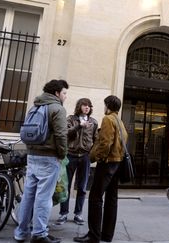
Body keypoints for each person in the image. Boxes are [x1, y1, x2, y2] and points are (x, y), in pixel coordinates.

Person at [14, 79, 69, 243]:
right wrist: (62, 154)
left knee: (28, 196)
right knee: (43, 197)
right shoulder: (57, 108)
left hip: (32, 155)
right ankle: (39, 233)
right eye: (64, 93)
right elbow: (61, 135)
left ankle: (21, 232)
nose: (65, 96)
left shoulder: (35, 106)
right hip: (48, 157)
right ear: (57, 93)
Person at [74, 95, 128, 243]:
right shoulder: (119, 121)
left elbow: (105, 143)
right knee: (111, 199)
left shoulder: (108, 119)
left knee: (95, 198)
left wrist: (95, 157)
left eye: (105, 105)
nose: (104, 108)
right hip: (117, 163)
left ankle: (94, 235)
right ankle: (107, 235)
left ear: (108, 106)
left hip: (107, 162)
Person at [56, 98, 98, 225]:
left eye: (89, 106)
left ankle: (78, 214)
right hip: (71, 155)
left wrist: (92, 153)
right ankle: (63, 213)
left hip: (85, 156)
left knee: (82, 187)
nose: (87, 107)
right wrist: (79, 126)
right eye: (84, 105)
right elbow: (66, 133)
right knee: (66, 186)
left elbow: (96, 139)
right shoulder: (71, 119)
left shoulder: (93, 122)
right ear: (79, 106)